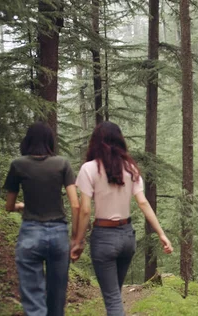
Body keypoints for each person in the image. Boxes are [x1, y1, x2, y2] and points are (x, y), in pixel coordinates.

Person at [70, 121, 173, 316]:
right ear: (120, 141)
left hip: (104, 238)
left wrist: (78, 241)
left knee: (112, 300)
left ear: (96, 142)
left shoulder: (89, 169)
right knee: (114, 295)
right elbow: (143, 203)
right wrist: (162, 234)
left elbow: (85, 210)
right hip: (127, 238)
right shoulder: (131, 169)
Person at [4, 122, 80, 316]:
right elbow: (75, 204)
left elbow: (9, 206)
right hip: (58, 234)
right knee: (57, 299)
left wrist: (21, 206)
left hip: (30, 233)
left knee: (33, 299)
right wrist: (75, 239)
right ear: (50, 141)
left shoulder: (18, 165)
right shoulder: (62, 164)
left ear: (28, 140)